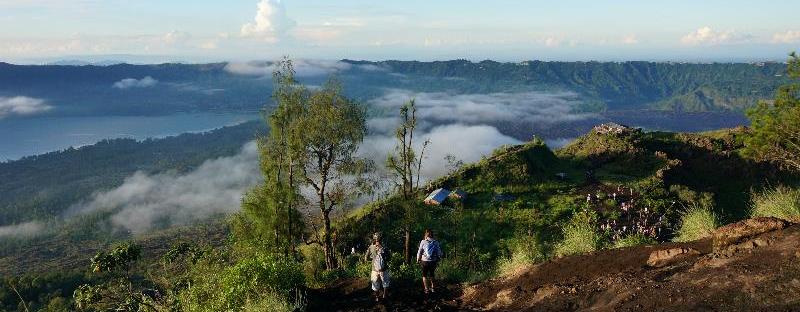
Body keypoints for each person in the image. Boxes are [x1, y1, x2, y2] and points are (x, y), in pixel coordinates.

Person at [365, 232, 390, 302]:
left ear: (374, 238)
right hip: (383, 268)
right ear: (381, 239)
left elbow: (366, 258)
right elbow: (389, 257)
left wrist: (373, 259)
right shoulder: (384, 247)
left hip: (374, 269)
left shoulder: (371, 247)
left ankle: (377, 297)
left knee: (375, 284)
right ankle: (384, 295)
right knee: (385, 283)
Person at [416, 229, 443, 294]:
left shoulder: (423, 241)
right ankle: (433, 288)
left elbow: (419, 251)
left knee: (424, 275)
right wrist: (439, 257)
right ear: (432, 235)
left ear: (426, 234)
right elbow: (439, 252)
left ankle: (426, 289)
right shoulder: (435, 242)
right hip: (433, 261)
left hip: (424, 261)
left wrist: (418, 259)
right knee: (432, 275)